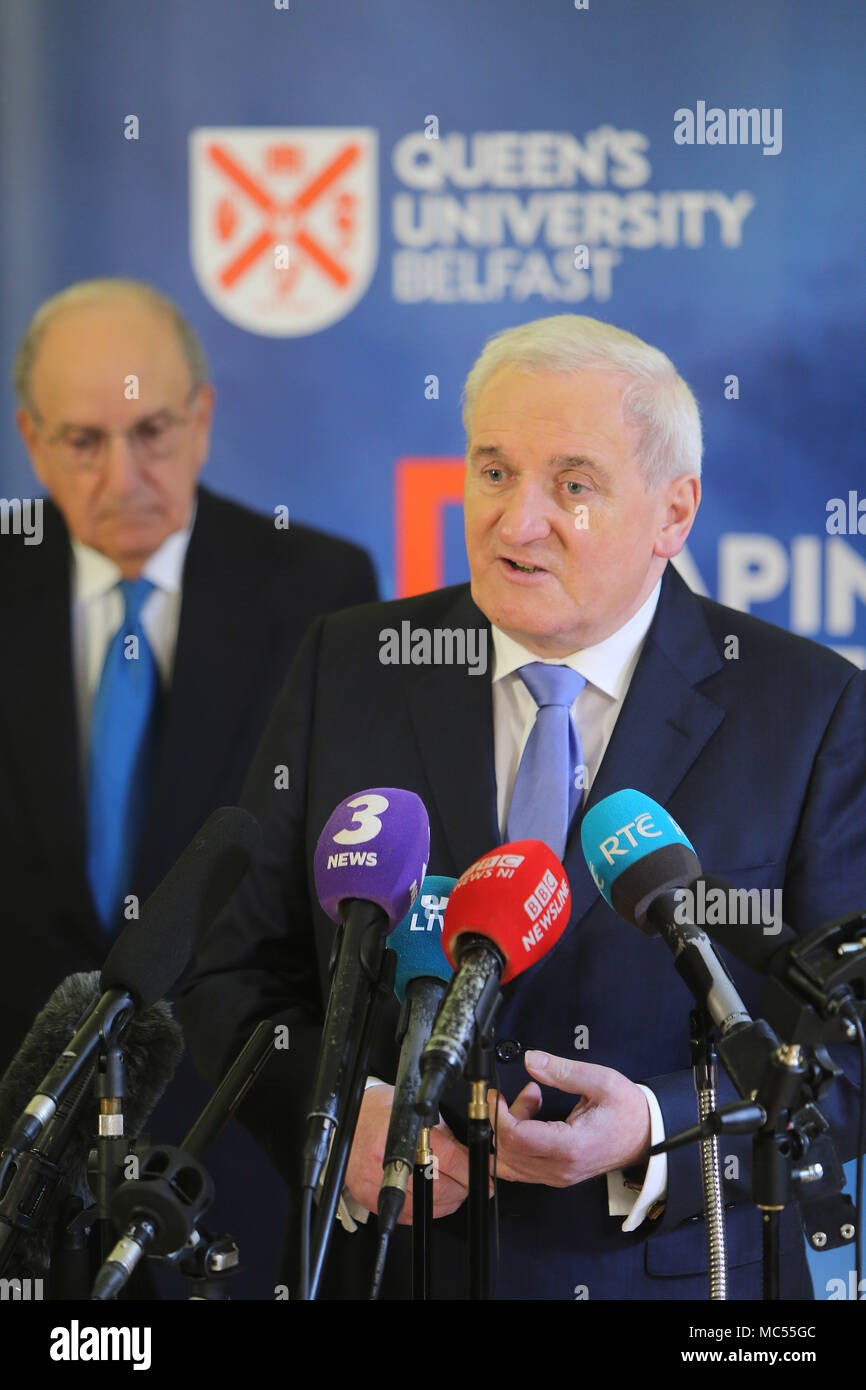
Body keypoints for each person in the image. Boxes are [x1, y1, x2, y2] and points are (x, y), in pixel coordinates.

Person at [177, 314, 866, 1300]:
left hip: (671, 1279)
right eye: (493, 471)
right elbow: (231, 971)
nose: (517, 520)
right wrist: (338, 1114)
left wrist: (659, 1128)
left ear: (673, 513)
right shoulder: (352, 664)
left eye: (571, 485)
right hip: (394, 1271)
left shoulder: (805, 709)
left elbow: (845, 1049)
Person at [1, 278, 379, 1294]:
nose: (124, 474)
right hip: (14, 1148)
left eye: (152, 431)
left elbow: (328, 902)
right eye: (83, 441)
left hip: (227, 1148)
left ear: (203, 419)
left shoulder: (320, 593)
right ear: (31, 438)